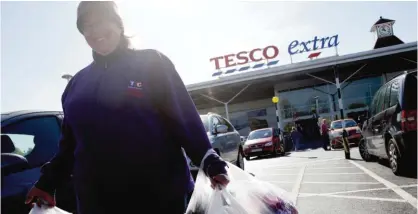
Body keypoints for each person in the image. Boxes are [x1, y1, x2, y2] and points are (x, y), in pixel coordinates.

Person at [24, 2, 229, 214]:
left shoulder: (152, 63)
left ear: (118, 24)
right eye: (87, 26)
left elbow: (183, 119)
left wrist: (209, 160)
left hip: (158, 197)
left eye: (102, 21)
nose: (95, 31)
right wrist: (47, 182)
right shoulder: (76, 85)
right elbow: (69, 147)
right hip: (96, 202)